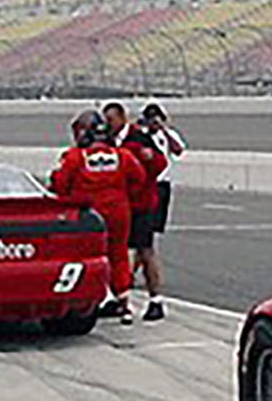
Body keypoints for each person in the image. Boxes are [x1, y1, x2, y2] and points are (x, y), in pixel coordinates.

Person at [50, 109, 150, 323]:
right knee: (119, 255)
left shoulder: (76, 157)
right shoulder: (122, 155)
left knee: (86, 257)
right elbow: (139, 178)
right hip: (119, 211)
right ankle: (123, 302)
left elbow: (59, 184)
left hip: (89, 215)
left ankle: (92, 299)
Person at [109, 102, 170, 321]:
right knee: (117, 251)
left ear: (121, 118)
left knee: (145, 249)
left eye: (111, 120)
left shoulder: (139, 139)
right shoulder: (109, 141)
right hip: (120, 205)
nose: (109, 125)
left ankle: (156, 300)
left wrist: (142, 172)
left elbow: (160, 163)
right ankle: (118, 297)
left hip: (142, 203)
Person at [140, 102, 186, 317]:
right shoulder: (140, 136)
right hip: (147, 184)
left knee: (152, 232)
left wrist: (164, 131)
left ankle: (140, 268)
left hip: (163, 185)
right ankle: (137, 269)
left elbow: (178, 150)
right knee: (144, 234)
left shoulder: (168, 135)